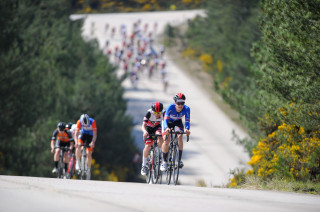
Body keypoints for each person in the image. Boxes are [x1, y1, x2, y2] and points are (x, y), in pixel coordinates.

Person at [160, 93, 191, 171]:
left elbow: (187, 121)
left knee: (180, 137)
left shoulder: (187, 109)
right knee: (166, 140)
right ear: (175, 103)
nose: (180, 105)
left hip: (177, 122)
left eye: (182, 103)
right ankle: (164, 161)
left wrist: (187, 129)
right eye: (178, 103)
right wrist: (166, 128)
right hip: (168, 123)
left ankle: (179, 160)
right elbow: (165, 120)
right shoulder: (170, 107)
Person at [141, 102, 165, 176]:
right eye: (155, 112)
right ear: (152, 111)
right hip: (148, 128)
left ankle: (161, 156)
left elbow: (166, 123)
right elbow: (143, 126)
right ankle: (144, 165)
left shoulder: (164, 113)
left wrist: (165, 133)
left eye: (159, 112)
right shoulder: (148, 113)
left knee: (160, 136)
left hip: (157, 127)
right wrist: (145, 132)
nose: (157, 114)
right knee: (147, 146)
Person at [74, 114, 97, 180]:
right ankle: (78, 162)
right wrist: (76, 142)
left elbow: (95, 134)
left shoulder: (93, 122)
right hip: (83, 135)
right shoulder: (79, 122)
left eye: (87, 124)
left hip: (90, 136)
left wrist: (92, 142)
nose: (86, 126)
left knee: (89, 154)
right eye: (84, 125)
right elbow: (76, 134)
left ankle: (88, 170)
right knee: (78, 146)